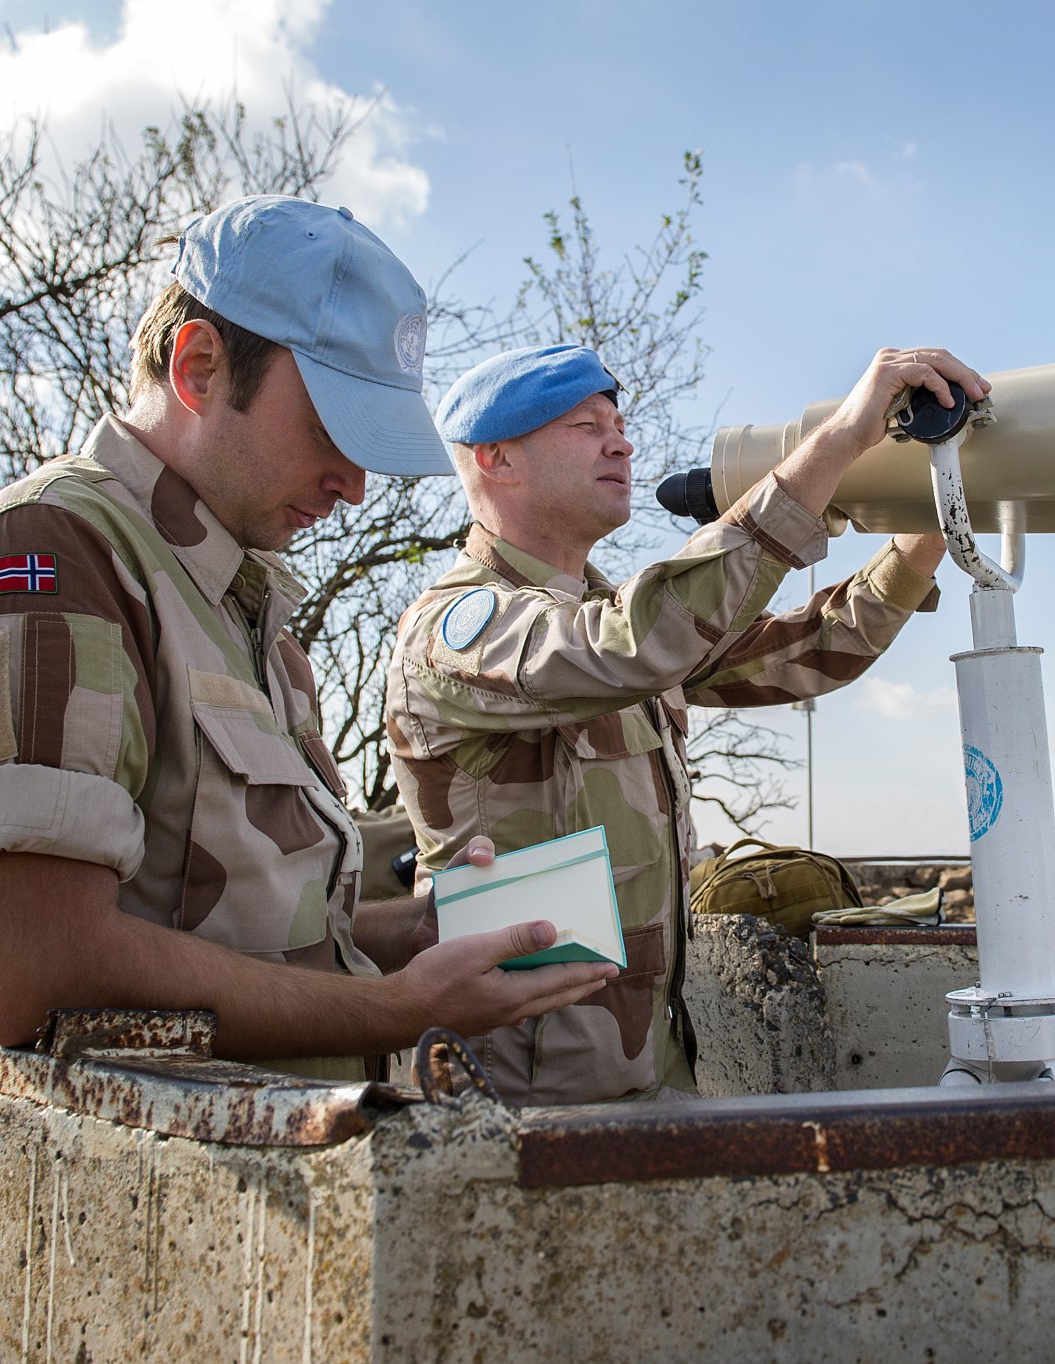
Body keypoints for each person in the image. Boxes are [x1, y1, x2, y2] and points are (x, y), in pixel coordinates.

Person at [0, 197, 617, 1079]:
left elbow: (266, 942)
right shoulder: (47, 558)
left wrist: (422, 934)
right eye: (328, 431)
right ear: (198, 367)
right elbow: (40, 973)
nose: (352, 484)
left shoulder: (239, 597)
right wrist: (397, 1010)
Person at [385, 343, 986, 1104]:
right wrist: (833, 443)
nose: (621, 441)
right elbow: (634, 644)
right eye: (584, 425)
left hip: (650, 1072)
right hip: (518, 1098)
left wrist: (924, 536)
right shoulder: (455, 630)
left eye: (620, 423)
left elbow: (809, 652)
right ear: (497, 460)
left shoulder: (611, 627)